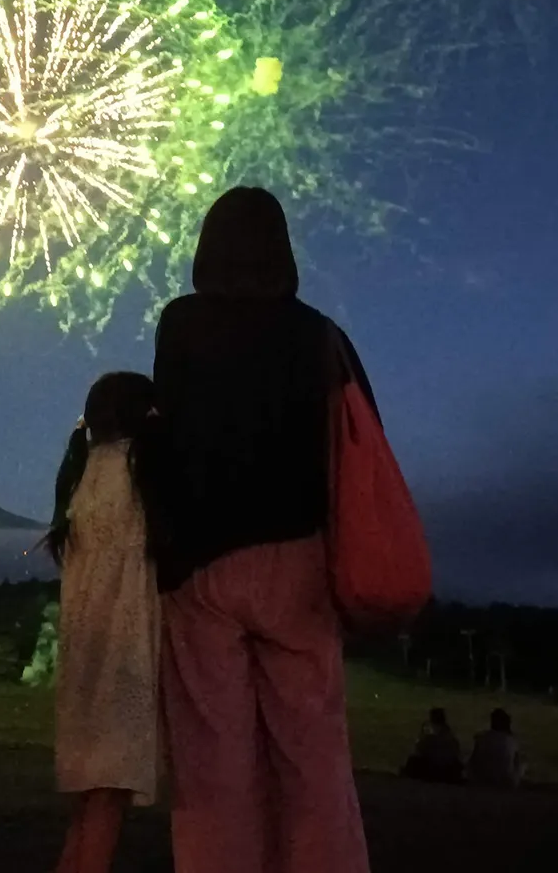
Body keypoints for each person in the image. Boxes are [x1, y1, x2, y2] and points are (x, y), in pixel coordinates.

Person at [153, 187, 373, 873]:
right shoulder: (320, 336)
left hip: (201, 563)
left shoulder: (181, 324)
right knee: (314, 757)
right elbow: (363, 446)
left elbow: (170, 438)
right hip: (300, 559)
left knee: (212, 764)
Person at [47, 372, 168, 873]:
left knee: (90, 797)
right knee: (107, 794)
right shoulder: (139, 473)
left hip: (83, 651)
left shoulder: (81, 474)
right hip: (125, 651)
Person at [401, 708, 464, 784]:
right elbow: (456, 754)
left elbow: (418, 751)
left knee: (413, 760)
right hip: (448, 772)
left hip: (434, 771)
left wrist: (422, 736)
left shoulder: (429, 739)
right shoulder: (452, 738)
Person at [468, 709, 527, 789]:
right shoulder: (511, 740)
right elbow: (516, 761)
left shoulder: (481, 738)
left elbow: (473, 761)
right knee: (522, 764)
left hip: (480, 780)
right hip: (505, 782)